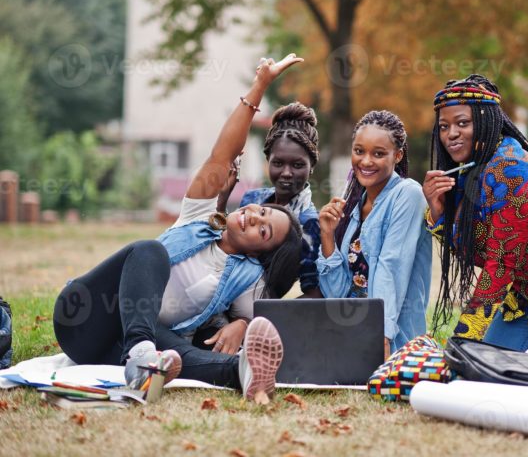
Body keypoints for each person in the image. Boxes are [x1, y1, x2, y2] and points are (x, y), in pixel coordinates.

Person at [53, 54, 305, 404]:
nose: (254, 217)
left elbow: (267, 316)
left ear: (258, 253)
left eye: (264, 231)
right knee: (148, 250)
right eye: (261, 211)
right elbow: (222, 154)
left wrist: (244, 325)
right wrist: (260, 85)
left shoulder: (246, 277)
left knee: (174, 353)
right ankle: (143, 356)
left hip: (112, 351)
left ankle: (243, 374)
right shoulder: (198, 217)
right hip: (84, 318)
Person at [422, 74, 528, 352]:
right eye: (444, 127)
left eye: (462, 123)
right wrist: (439, 211)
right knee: (475, 374)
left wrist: (462, 340)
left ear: (485, 121)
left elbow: (500, 267)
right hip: (525, 298)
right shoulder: (473, 168)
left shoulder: (510, 169)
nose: (451, 133)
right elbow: (475, 250)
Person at [317, 110, 432, 355]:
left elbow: (392, 266)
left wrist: (381, 338)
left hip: (393, 341)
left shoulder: (408, 194)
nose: (366, 161)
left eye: (378, 154)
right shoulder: (352, 205)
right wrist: (327, 236)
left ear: (398, 156)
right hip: (350, 335)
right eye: (359, 151)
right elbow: (336, 293)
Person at [224, 102, 322, 298]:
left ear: (312, 166)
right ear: (267, 161)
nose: (286, 173)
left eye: (297, 165)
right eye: (278, 163)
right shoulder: (253, 199)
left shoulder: (310, 224)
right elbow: (224, 245)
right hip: (218, 291)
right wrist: (223, 197)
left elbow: (314, 292)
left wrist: (271, 314)